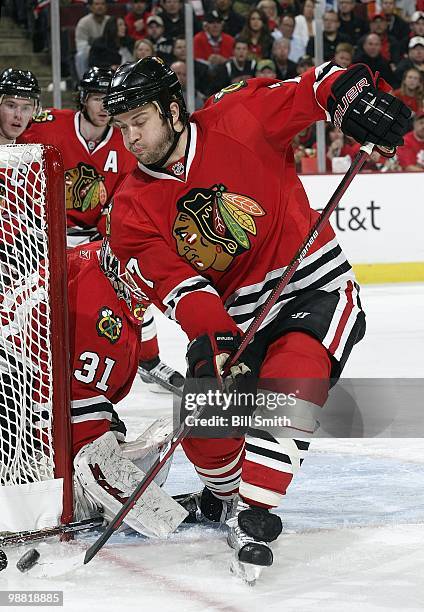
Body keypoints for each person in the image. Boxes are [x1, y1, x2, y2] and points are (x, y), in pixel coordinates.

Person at [102, 57, 410, 578]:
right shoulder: (131, 206)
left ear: (174, 112)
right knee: (205, 429)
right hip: (237, 321)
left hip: (313, 289)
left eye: (140, 122)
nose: (129, 137)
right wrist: (210, 335)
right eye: (122, 126)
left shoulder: (239, 116)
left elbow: (317, 86)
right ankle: (222, 496)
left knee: (294, 377)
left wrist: (352, 100)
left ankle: (256, 508)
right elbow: (175, 281)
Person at [20, 67, 183, 392]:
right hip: (41, 237)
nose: (104, 106)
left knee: (136, 290)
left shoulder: (128, 140)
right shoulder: (49, 126)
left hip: (98, 240)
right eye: (97, 98)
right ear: (82, 99)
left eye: (108, 99)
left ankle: (149, 362)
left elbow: (131, 196)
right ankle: (33, 363)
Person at [0, 68, 40, 145]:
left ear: (34, 111)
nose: (18, 115)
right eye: (11, 106)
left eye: (25, 108)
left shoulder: (32, 151)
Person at [74, 0, 110, 79]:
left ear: (106, 7)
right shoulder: (83, 22)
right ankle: (84, 83)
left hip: (109, 52)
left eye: (102, 4)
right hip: (91, 53)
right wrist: (97, 51)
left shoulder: (110, 21)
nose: (100, 7)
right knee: (80, 56)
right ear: (91, 7)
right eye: (97, 4)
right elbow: (80, 45)